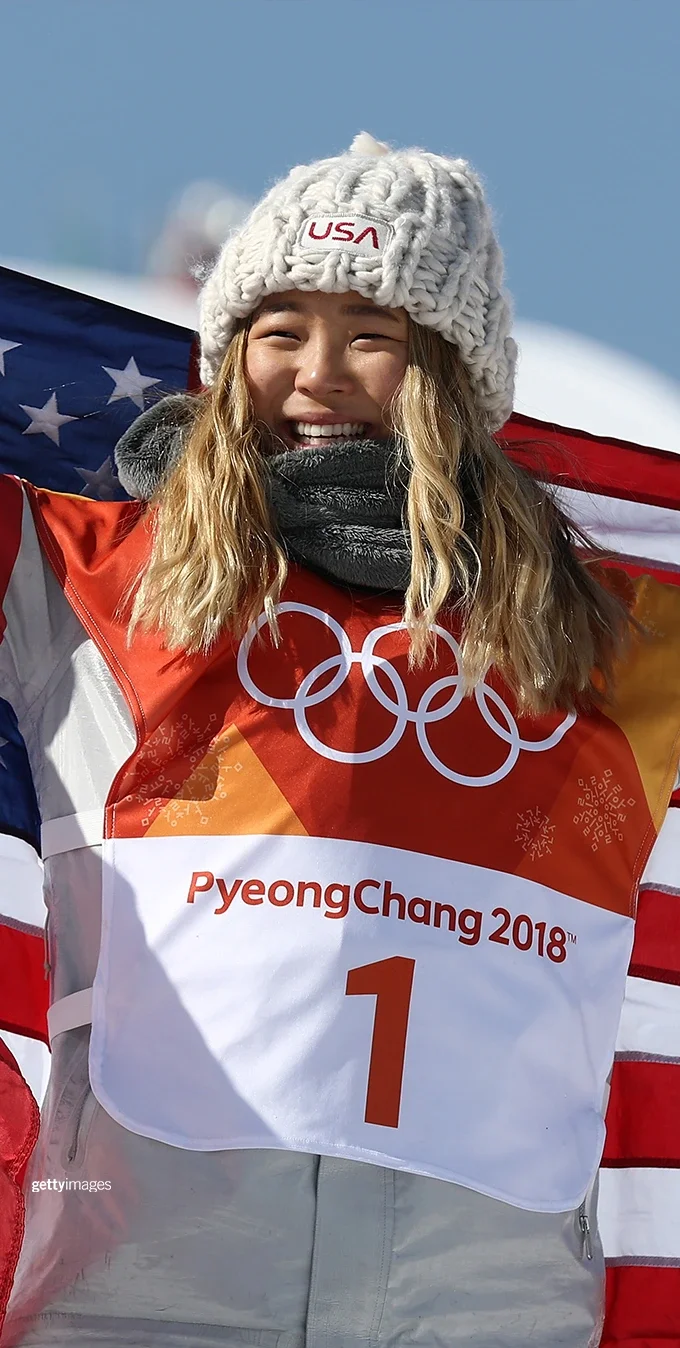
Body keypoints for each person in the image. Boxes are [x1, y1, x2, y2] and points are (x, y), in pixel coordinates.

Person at [1, 131, 680, 1348]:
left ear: (452, 373)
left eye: (372, 334)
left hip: (488, 1306)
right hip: (139, 1292)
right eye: (277, 331)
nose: (319, 373)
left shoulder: (609, 627)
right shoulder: (93, 564)